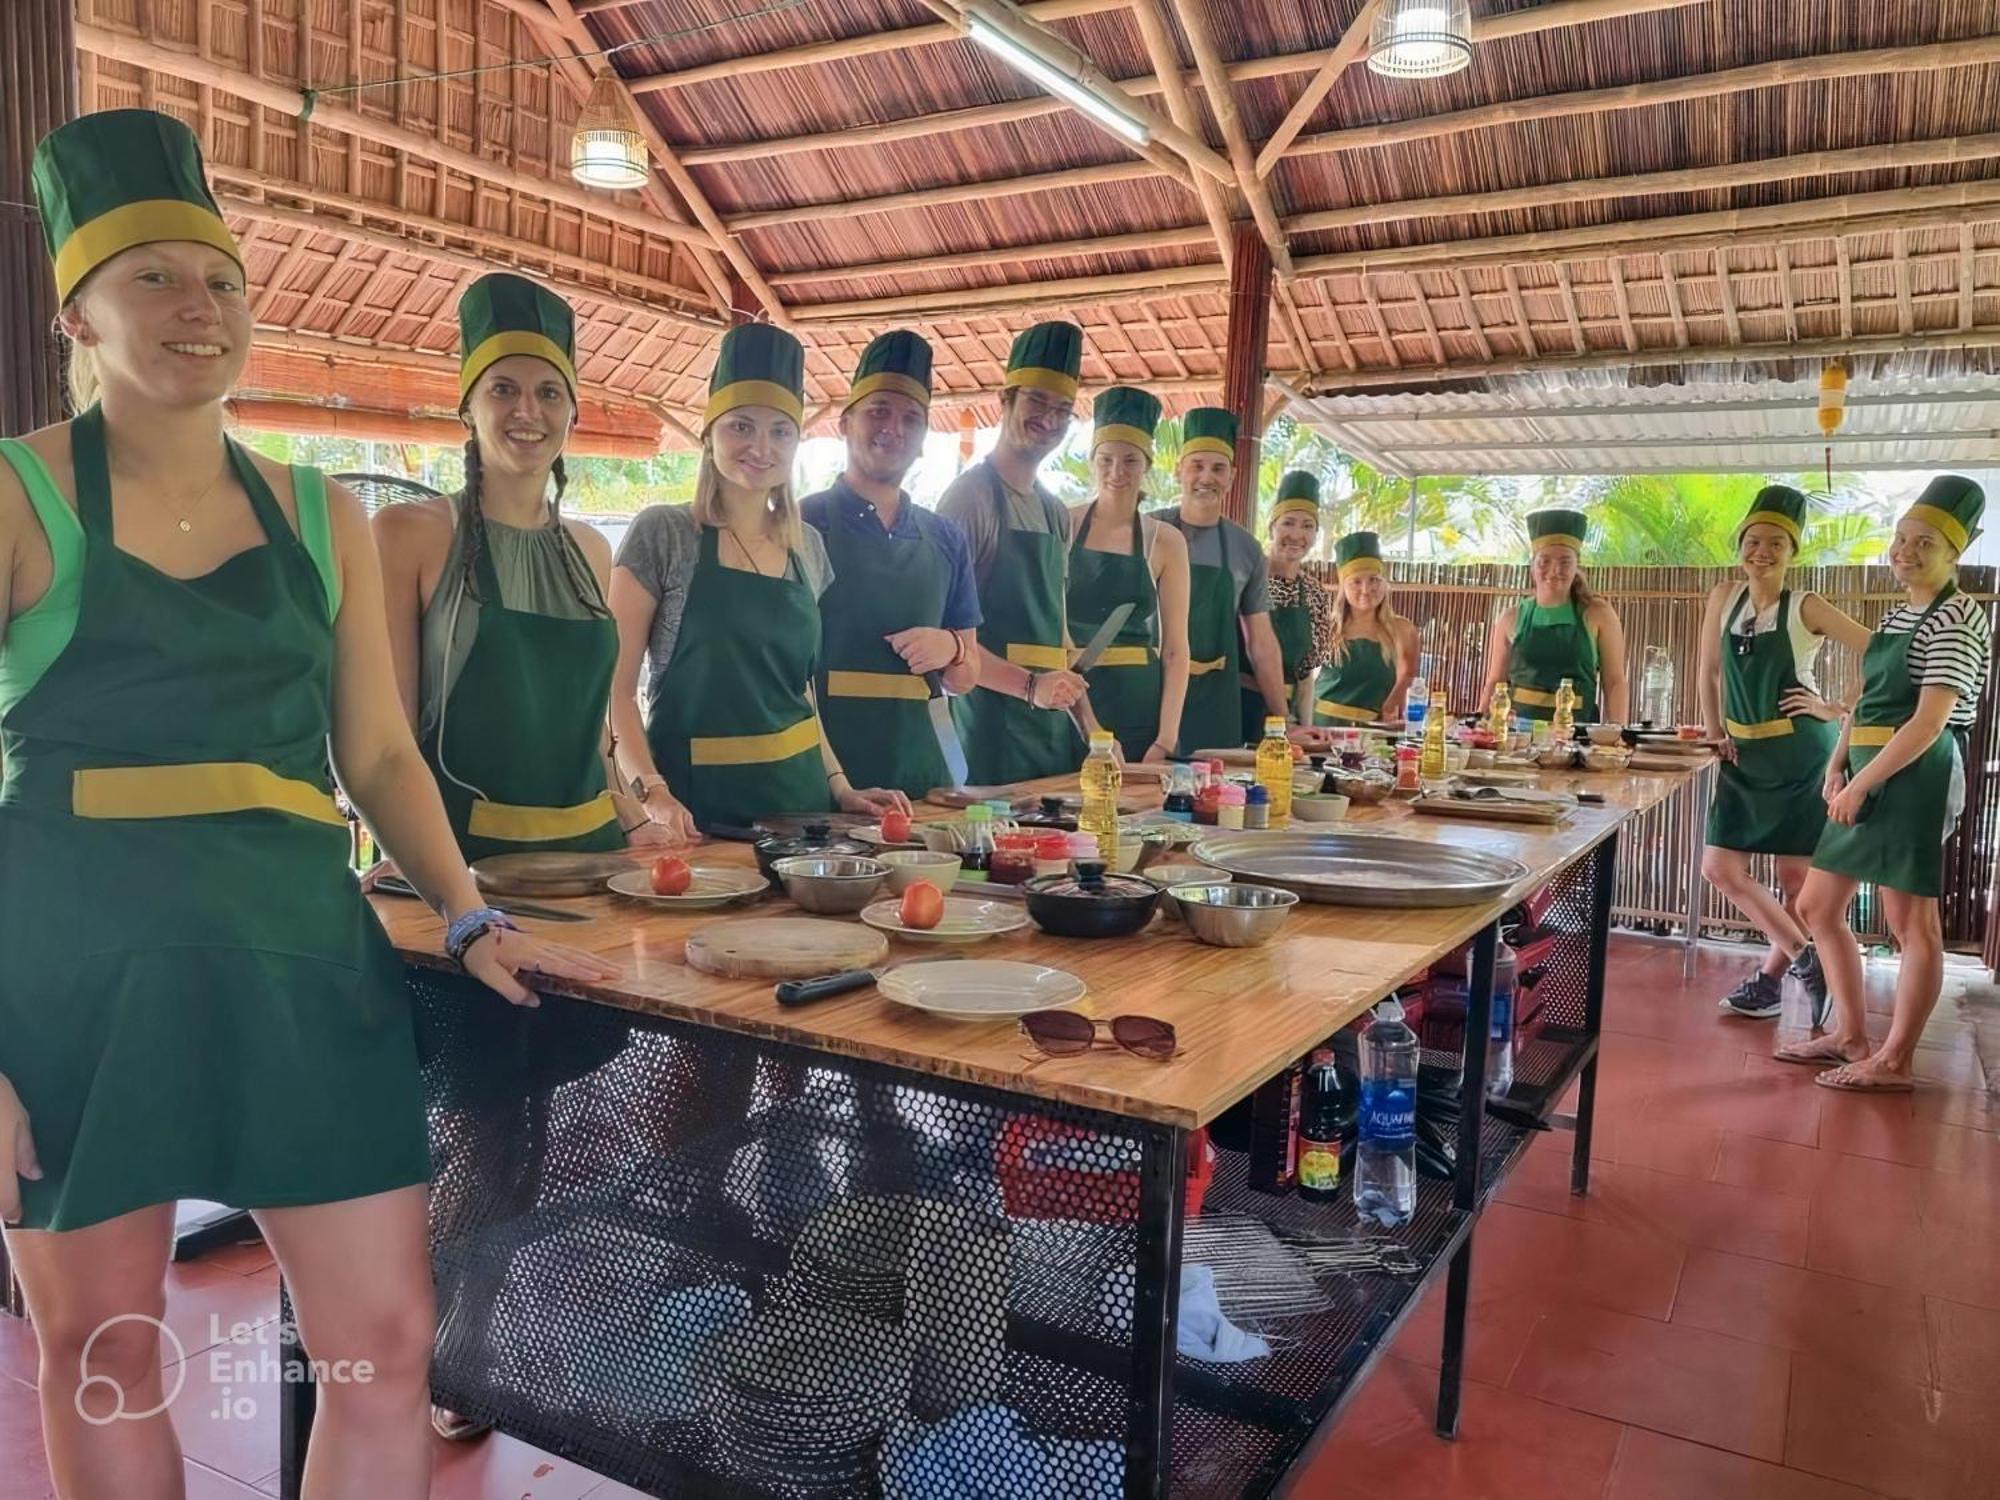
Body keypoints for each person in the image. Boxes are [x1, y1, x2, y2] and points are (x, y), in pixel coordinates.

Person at [0, 109, 609, 1499]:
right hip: (69, 969)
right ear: (77, 314)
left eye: (219, 280)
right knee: (103, 1344)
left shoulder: (317, 511)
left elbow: (382, 758)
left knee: (385, 1346)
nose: (196, 306)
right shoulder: (19, 493)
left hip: (293, 947)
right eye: (152, 276)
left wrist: (466, 915)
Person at [375, 271, 664, 865]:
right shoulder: (409, 535)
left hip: (596, 859)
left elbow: (592, 732)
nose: (527, 410)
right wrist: (408, 861)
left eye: (549, 393)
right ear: (468, 408)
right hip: (471, 867)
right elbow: (389, 740)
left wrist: (634, 818)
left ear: (572, 414)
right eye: (503, 389)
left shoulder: (589, 548)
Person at [609, 323, 905, 833]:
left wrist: (839, 785)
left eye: (780, 431)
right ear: (709, 435)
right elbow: (612, 690)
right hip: (694, 809)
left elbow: (801, 690)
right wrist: (651, 792)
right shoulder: (664, 532)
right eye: (741, 426)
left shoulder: (807, 548)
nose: (761, 447)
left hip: (802, 805)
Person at [1784, 477, 1992, 1092]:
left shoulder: (1959, 615)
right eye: (1901, 538)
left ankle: (1896, 1060)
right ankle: (1850, 1035)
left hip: (1915, 775)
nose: (1904, 550)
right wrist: (1836, 764)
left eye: (1923, 542)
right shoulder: (1899, 613)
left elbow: (1928, 723)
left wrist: (1859, 786)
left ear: (1955, 552)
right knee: (1817, 905)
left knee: (1910, 922)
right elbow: (1869, 702)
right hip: (1867, 768)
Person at [1696, 485, 1870, 1024]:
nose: (1762, 551)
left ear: (1793, 552)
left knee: (1798, 885)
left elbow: (1883, 652)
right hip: (1741, 756)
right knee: (1720, 869)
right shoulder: (1724, 596)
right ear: (1740, 545)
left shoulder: (1808, 606)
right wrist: (1713, 729)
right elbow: (1708, 670)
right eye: (1753, 540)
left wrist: (1834, 706)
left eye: (1776, 542)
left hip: (1800, 757)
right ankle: (1805, 958)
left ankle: (1772, 981)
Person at [802, 330, 981, 799]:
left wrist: (952, 649)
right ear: (845, 423)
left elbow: (966, 675)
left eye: (911, 418)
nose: (893, 428)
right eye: (878, 410)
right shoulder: (801, 522)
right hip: (822, 778)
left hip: (923, 781)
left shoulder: (946, 537)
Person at [937, 322, 1096, 784]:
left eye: (1062, 409)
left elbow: (1060, 633)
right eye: (1036, 402)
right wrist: (1029, 687)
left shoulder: (1053, 511)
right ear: (1004, 400)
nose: (1049, 419)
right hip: (989, 730)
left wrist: (1091, 725)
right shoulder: (970, 499)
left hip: (1050, 727)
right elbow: (948, 642)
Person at [1157, 408, 1295, 752]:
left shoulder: (1246, 549)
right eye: (1197, 465)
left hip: (1216, 704)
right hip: (1151, 693)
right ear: (1179, 471)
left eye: (1218, 468)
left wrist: (1283, 722)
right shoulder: (1148, 532)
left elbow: (1261, 644)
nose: (1207, 477)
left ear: (1232, 477)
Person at [1065, 385, 1190, 763]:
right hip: (1072, 703)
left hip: (1139, 711)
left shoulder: (1166, 541)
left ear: (1147, 465)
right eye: (1106, 459)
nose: (1117, 471)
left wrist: (1165, 740)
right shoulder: (1063, 526)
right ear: (1092, 461)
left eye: (1130, 460)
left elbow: (1175, 650)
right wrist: (1088, 725)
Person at [1481, 508, 1630, 724]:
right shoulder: (1511, 619)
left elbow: (1615, 682)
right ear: (1532, 566)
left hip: (1577, 739)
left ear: (1576, 565)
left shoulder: (1598, 615)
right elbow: (1495, 681)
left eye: (1565, 562)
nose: (1554, 570)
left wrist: (1618, 732)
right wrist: (1479, 725)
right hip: (1517, 742)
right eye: (1545, 561)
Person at [1249, 470, 1333, 736]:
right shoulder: (1247, 576)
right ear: (1271, 527)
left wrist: (1306, 731)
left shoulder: (1315, 593)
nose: (1297, 534)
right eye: (1288, 523)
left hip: (1288, 719)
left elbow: (1307, 678)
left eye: (1307, 526)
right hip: (1240, 706)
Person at [1315, 531, 1420, 726]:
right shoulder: (1327, 626)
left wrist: (1390, 709)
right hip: (1322, 726)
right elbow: (1302, 676)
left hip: (1374, 730)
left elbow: (1407, 675)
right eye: (1356, 581)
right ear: (1343, 587)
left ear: (1384, 583)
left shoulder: (1402, 629)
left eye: (1374, 579)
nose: (1366, 589)